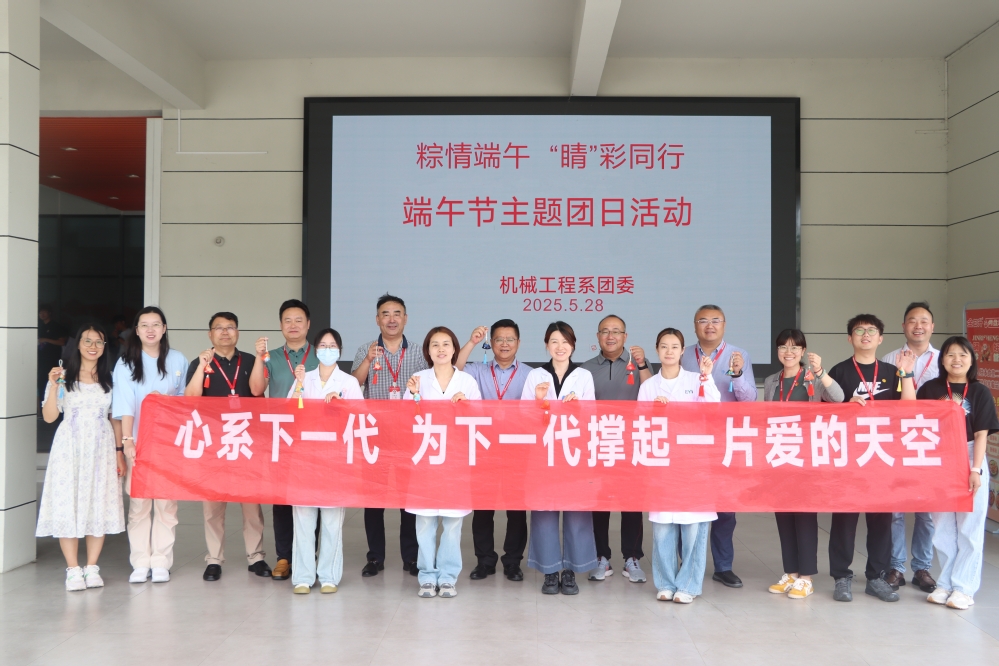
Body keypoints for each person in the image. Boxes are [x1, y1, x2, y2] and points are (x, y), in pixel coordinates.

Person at [825, 313, 916, 603]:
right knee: (844, 519)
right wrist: (844, 404)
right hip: (849, 458)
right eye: (859, 330)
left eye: (872, 330)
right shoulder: (839, 372)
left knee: (881, 520)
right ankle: (841, 577)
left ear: (880, 338)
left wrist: (906, 374)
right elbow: (824, 414)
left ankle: (876, 577)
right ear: (849, 338)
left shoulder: (892, 371)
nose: (866, 335)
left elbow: (908, 408)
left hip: (882, 456)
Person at [36, 322, 126, 591]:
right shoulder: (64, 376)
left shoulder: (111, 378)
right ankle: (73, 569)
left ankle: (92, 567)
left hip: (101, 446)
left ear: (104, 347)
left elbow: (116, 419)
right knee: (68, 502)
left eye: (99, 342)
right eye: (87, 341)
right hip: (69, 446)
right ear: (78, 344)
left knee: (97, 501)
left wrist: (119, 452)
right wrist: (54, 386)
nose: (93, 346)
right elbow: (50, 416)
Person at [184, 312, 271, 582]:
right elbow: (191, 398)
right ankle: (214, 559)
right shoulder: (200, 362)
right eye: (218, 328)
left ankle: (256, 557)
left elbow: (257, 391)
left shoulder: (250, 360)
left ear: (238, 332)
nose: (224, 332)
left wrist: (260, 357)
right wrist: (202, 366)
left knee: (251, 506)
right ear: (210, 334)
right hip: (213, 445)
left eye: (230, 327)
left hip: (245, 441)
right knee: (213, 508)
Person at [639, 327, 719, 604]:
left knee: (693, 527)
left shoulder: (696, 379)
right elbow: (640, 424)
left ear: (683, 351)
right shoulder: (649, 386)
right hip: (662, 465)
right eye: (664, 346)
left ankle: (688, 585)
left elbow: (713, 407)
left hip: (692, 465)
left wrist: (707, 376)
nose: (669, 351)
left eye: (675, 346)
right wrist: (655, 411)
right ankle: (665, 583)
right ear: (657, 350)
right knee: (663, 527)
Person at [918, 337, 999, 610]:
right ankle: (945, 583)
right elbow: (916, 423)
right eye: (950, 354)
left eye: (963, 355)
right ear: (942, 360)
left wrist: (975, 469)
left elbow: (981, 434)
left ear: (971, 360)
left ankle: (964, 588)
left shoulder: (979, 392)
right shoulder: (930, 389)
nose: (956, 359)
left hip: (969, 454)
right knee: (942, 526)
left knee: (969, 526)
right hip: (938, 456)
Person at [763, 329, 843, 600]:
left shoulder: (812, 377)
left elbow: (838, 397)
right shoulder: (772, 381)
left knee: (805, 517)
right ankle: (791, 573)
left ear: (803, 351)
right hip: (780, 455)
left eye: (794, 347)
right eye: (783, 347)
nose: (788, 352)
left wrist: (820, 372)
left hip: (806, 457)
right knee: (784, 516)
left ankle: (806, 578)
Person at [351, 294, 428, 577]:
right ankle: (375, 557)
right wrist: (368, 361)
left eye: (397, 313)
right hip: (375, 435)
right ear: (377, 320)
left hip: (409, 436)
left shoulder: (419, 352)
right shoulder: (366, 349)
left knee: (409, 500)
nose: (392, 319)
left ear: (405, 319)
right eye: (386, 314)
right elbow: (354, 384)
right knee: (374, 500)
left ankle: (411, 557)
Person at [679, 304, 755, 589]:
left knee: (725, 510)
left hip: (725, 441)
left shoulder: (739, 355)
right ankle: (686, 563)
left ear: (724, 324)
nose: (709, 326)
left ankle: (723, 567)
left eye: (715, 320)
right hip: (689, 442)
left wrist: (737, 373)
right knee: (687, 506)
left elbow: (749, 400)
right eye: (703, 320)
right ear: (694, 325)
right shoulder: (683, 354)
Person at [111, 306, 189, 584]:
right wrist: (128, 441)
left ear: (164, 328)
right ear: (137, 330)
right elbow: (125, 405)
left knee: (167, 506)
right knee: (139, 505)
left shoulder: (178, 359)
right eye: (144, 325)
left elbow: (186, 399)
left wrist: (167, 400)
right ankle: (140, 561)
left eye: (156, 324)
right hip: (139, 443)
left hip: (168, 444)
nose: (150, 330)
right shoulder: (126, 363)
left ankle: (161, 562)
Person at [520, 321, 597, 595]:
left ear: (573, 345)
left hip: (574, 454)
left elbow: (592, 418)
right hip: (543, 454)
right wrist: (538, 400)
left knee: (577, 513)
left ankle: (571, 571)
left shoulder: (584, 376)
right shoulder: (536, 376)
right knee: (544, 513)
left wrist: (578, 408)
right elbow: (524, 418)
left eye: (565, 341)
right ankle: (550, 571)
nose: (560, 347)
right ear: (546, 345)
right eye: (554, 341)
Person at [404, 326, 480, 598]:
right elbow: (406, 419)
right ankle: (426, 576)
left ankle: (448, 577)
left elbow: (480, 420)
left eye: (446, 344)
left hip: (455, 462)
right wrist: (414, 396)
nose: (441, 349)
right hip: (425, 460)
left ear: (454, 348)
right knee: (425, 522)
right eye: (434, 344)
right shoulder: (418, 379)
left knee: (452, 523)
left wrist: (466, 405)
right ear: (428, 350)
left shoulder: (467, 382)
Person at [288, 327, 363, 594]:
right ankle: (303, 577)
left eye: (332, 346)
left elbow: (360, 417)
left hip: (335, 459)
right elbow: (289, 412)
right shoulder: (304, 377)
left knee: (331, 521)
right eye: (323, 345)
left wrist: (341, 404)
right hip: (305, 458)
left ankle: (329, 575)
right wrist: (298, 384)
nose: (327, 350)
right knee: (304, 519)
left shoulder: (348, 382)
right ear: (316, 349)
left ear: (339, 351)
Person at [455, 320, 531, 582]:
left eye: (510, 339)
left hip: (517, 449)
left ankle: (513, 561)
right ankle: (485, 561)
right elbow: (455, 369)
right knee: (483, 508)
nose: (504, 344)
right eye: (499, 339)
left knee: (516, 509)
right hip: (483, 448)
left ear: (518, 343)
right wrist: (472, 342)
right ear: (492, 343)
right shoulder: (478, 370)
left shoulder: (531, 374)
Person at [581, 315, 653, 583]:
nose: (610, 336)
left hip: (632, 444)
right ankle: (601, 556)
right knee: (598, 502)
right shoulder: (586, 368)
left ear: (625, 336)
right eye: (605, 331)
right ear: (597, 336)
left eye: (616, 331)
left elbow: (651, 393)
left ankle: (632, 557)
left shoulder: (639, 364)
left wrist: (642, 364)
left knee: (631, 502)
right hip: (598, 443)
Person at [258, 299, 318, 582]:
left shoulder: (321, 355)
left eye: (298, 320)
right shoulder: (270, 357)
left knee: (313, 497)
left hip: (313, 436)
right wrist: (259, 359)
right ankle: (284, 557)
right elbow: (257, 389)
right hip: (280, 435)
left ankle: (310, 555)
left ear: (308, 324)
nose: (293, 325)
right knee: (282, 498)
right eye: (287, 320)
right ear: (281, 325)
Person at [880, 301, 939, 593]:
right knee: (896, 509)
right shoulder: (889, 359)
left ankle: (922, 568)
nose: (918, 326)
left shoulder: (943, 359)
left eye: (924, 321)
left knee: (926, 511)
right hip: (897, 441)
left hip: (931, 442)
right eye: (912, 321)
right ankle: (896, 567)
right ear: (903, 326)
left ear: (932, 327)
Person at [37, 305, 68, 414]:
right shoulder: (39, 326)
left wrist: (46, 339)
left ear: (50, 313)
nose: (42, 314)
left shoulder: (56, 326)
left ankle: (57, 411)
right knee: (41, 384)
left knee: (55, 383)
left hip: (53, 360)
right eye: (40, 313)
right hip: (40, 361)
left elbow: (62, 342)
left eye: (44, 312)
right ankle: (42, 411)